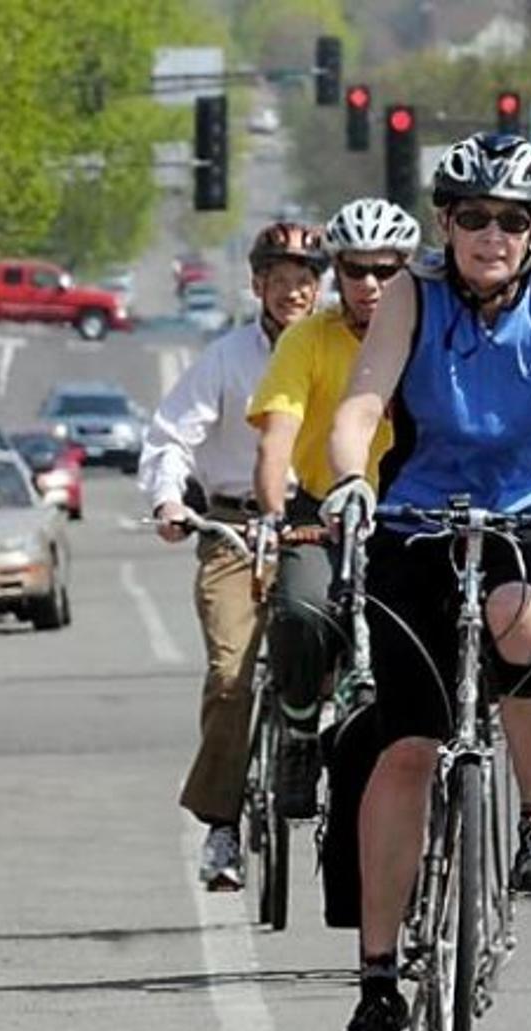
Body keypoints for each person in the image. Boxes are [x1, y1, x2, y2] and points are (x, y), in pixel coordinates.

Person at [319, 133, 531, 1031]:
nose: (492, 235)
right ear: (446, 223)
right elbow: (362, 404)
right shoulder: (411, 293)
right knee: (406, 750)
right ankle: (378, 990)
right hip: (417, 520)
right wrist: (349, 479)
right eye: (473, 217)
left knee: (519, 615)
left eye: (512, 220)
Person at [138, 223, 328, 890]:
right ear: (257, 285)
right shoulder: (226, 358)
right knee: (230, 678)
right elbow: (170, 438)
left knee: (350, 661)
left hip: (316, 527)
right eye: (280, 280)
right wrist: (168, 501)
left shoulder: (338, 347)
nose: (293, 292)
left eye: (305, 280)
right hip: (235, 531)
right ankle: (222, 825)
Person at [247, 198, 420, 817]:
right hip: (322, 514)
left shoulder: (432, 334)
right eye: (355, 269)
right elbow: (277, 440)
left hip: (412, 514)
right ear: (336, 274)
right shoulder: (306, 339)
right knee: (301, 610)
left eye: (386, 270)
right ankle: (298, 732)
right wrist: (274, 518)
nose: (371, 284)